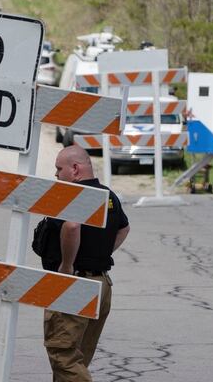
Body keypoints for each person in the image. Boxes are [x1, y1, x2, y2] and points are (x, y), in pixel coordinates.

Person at [33, 145, 130, 382]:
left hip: (75, 283)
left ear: (75, 169)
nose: (56, 175)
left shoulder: (72, 196)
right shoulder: (108, 195)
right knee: (77, 359)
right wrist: (99, 253)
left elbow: (72, 226)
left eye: (59, 169)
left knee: (63, 355)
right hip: (101, 283)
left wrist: (67, 266)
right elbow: (124, 228)